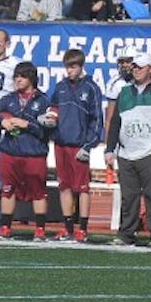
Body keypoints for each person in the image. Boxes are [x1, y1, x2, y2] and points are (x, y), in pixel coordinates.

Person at [104, 53, 151, 247]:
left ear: (150, 70)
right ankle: (126, 232)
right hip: (127, 153)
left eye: (140, 67)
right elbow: (115, 123)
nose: (136, 70)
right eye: (134, 67)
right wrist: (110, 148)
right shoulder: (125, 92)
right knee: (128, 197)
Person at [47, 48, 104, 242]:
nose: (69, 71)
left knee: (82, 188)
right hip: (61, 143)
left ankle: (83, 229)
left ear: (81, 66)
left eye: (73, 67)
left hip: (79, 145)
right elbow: (52, 108)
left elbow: (97, 120)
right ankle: (68, 228)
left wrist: (88, 146)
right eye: (67, 67)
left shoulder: (91, 88)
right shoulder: (61, 86)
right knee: (64, 186)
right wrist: (51, 120)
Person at [0, 62, 54, 240]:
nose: (17, 80)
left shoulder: (43, 101)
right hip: (10, 152)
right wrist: (2, 121)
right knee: (7, 190)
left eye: (22, 76)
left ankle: (40, 229)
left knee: (38, 192)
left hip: (34, 153)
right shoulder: (9, 99)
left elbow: (48, 130)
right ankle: (5, 227)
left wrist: (27, 124)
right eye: (16, 76)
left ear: (31, 79)